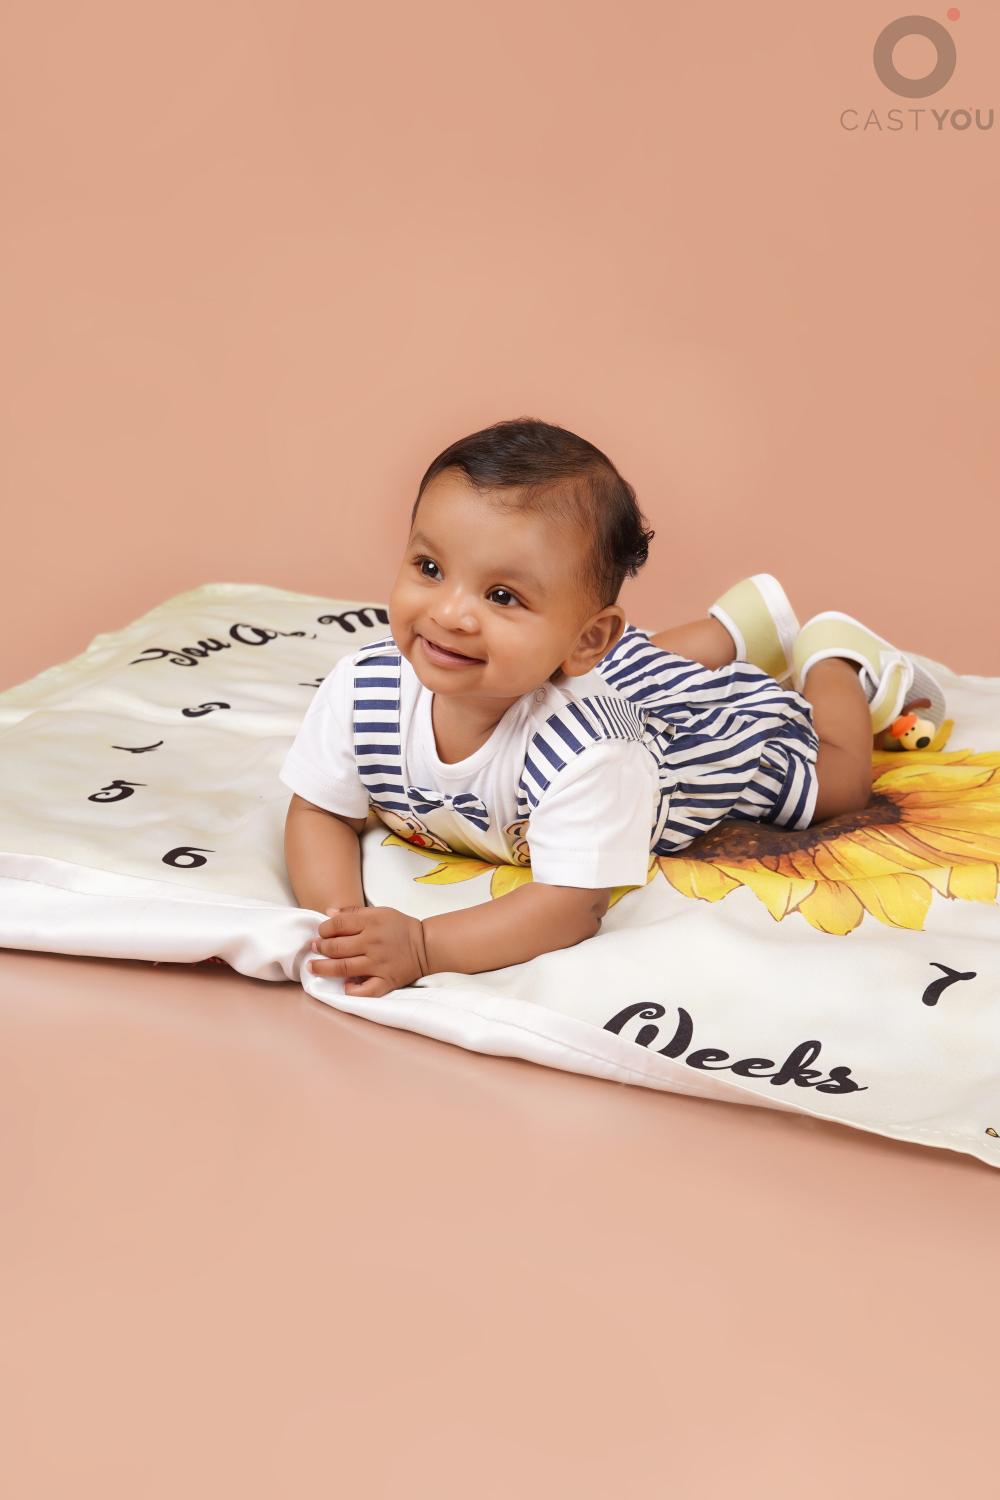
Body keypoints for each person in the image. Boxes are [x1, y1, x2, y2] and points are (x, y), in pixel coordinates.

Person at [281, 416, 947, 998]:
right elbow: (319, 810)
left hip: (674, 752)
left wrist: (423, 947)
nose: (450, 613)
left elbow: (570, 905)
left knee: (836, 783)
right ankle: (737, 628)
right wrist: (344, 927)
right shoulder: (364, 689)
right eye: (429, 568)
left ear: (586, 639)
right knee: (632, 664)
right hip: (584, 675)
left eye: (503, 596)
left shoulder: (591, 757)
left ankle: (834, 657)